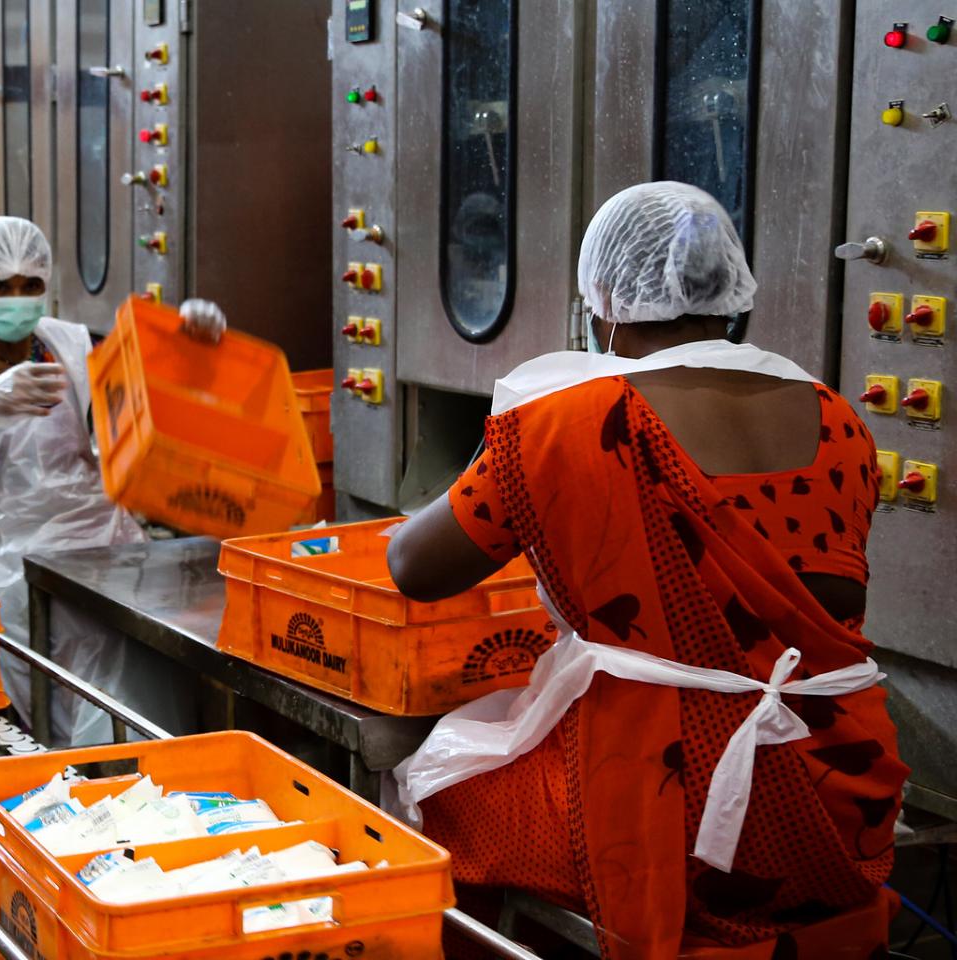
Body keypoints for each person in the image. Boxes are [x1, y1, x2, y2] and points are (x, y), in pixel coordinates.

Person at [386, 182, 905, 958]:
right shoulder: (837, 418)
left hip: (668, 814)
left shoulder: (566, 422)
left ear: (601, 304)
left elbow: (413, 567)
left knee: (439, 793)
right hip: (840, 796)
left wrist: (507, 444)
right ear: (729, 290)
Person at [0, 216, 224, 743]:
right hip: (18, 565)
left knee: (131, 700)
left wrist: (187, 349)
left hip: (105, 548)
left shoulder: (71, 343)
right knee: (49, 701)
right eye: (0, 287)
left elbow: (140, 390)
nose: (17, 298)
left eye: (29, 285)